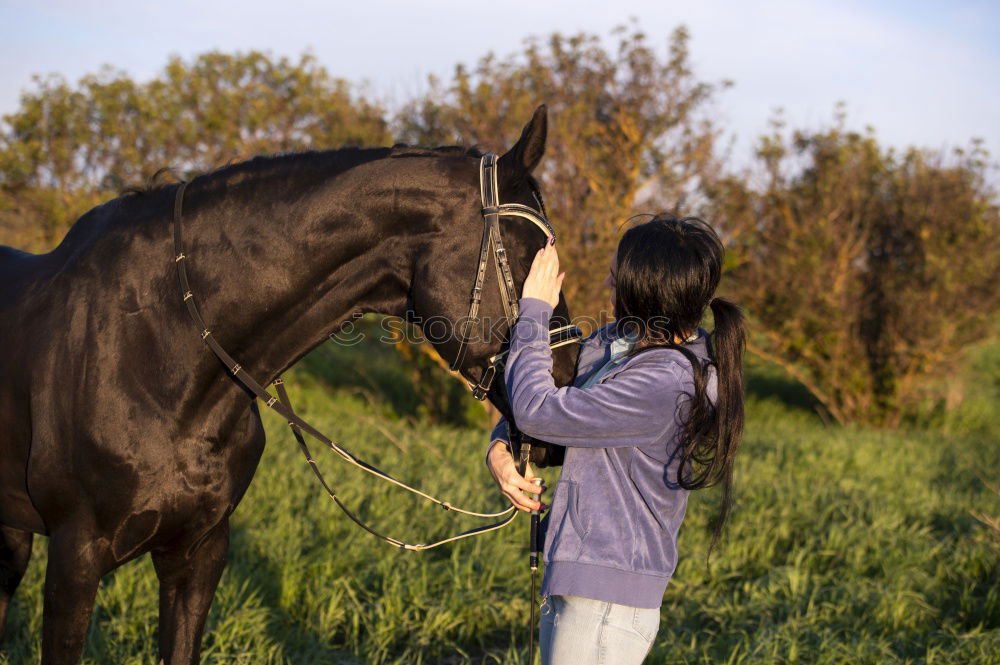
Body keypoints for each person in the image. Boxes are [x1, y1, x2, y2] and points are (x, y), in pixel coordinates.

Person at [485, 215, 746, 665]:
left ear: (644, 293)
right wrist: (500, 449)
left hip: (606, 604)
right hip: (580, 582)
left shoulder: (667, 383)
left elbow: (540, 409)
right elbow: (551, 402)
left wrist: (534, 311)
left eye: (618, 275)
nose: (609, 279)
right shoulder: (619, 344)